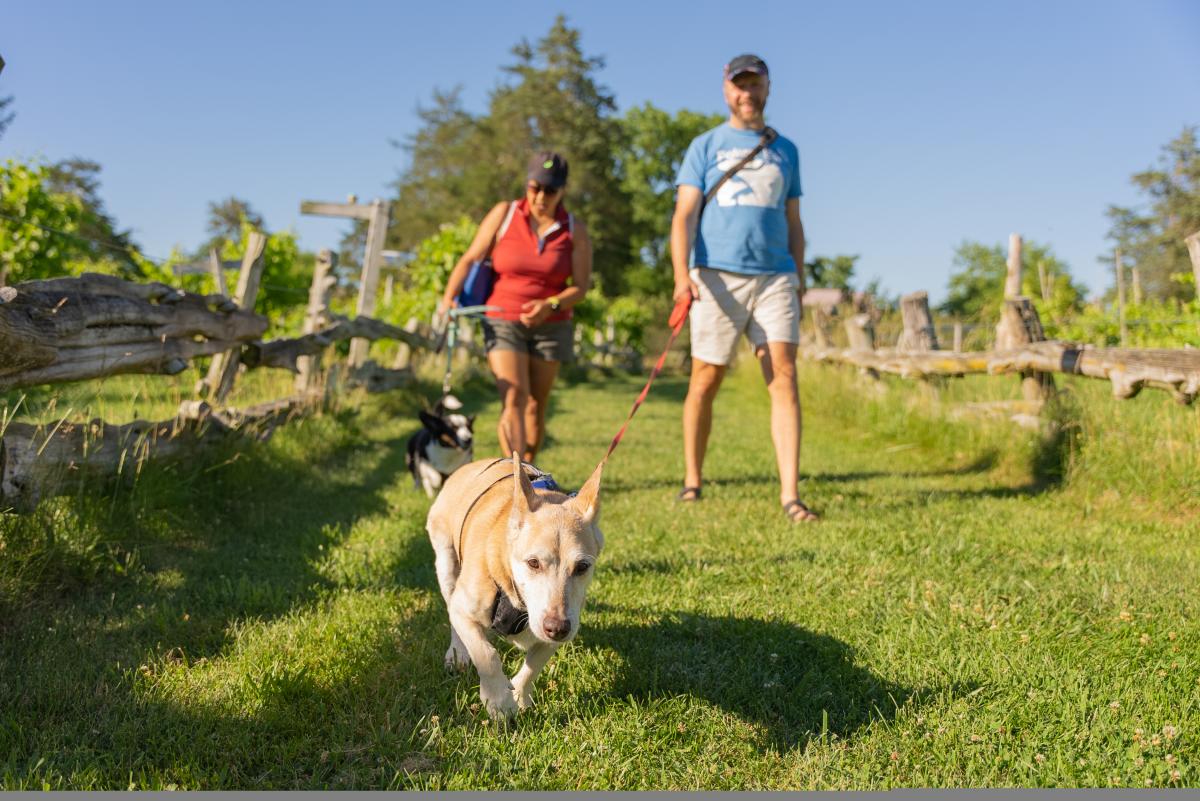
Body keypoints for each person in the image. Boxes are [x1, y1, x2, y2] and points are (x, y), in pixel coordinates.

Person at [670, 54, 818, 523]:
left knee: (784, 376)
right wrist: (682, 277)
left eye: (755, 85)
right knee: (705, 380)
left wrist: (799, 275)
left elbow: (795, 221)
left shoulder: (786, 150)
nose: (747, 93)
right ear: (726, 90)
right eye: (740, 85)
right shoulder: (706, 145)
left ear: (768, 88)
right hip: (715, 275)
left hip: (775, 276)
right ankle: (693, 480)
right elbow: (684, 216)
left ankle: (790, 495)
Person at [439, 152, 592, 464]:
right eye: (535, 187)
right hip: (502, 318)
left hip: (552, 324)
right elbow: (470, 258)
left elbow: (581, 288)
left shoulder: (575, 230)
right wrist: (448, 297)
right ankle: (514, 475)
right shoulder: (504, 214)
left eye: (550, 191)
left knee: (537, 404)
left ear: (562, 191)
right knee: (514, 397)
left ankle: (529, 469)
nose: (540, 197)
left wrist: (551, 304)